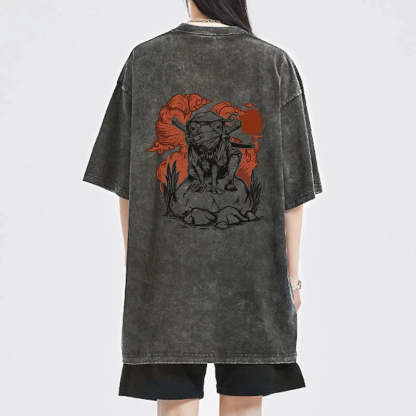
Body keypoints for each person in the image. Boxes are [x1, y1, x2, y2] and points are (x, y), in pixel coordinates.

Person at [82, 0, 322, 414]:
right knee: (245, 401)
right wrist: (292, 279)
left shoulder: (145, 60)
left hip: (166, 279)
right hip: (254, 279)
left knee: (175, 401)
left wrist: (139, 264)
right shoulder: (273, 64)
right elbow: (293, 192)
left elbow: (127, 186)